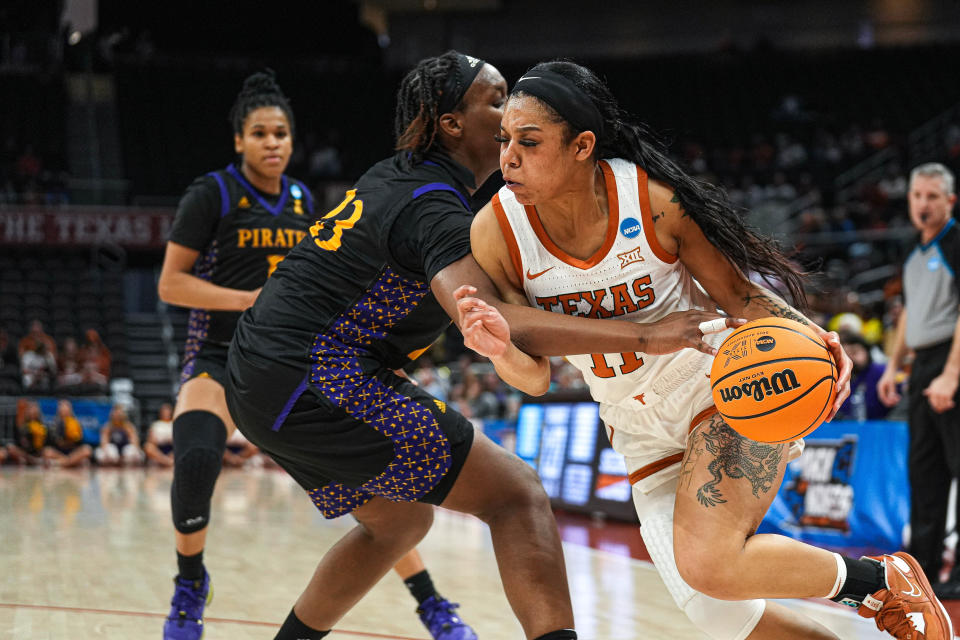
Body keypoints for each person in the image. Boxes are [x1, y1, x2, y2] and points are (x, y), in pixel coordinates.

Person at [224, 51, 729, 640]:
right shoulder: (432, 207)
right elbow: (500, 319)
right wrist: (646, 334)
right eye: (496, 100)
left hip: (261, 378)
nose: (511, 109)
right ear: (451, 124)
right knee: (516, 496)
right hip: (314, 375)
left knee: (398, 526)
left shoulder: (398, 176)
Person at [457, 60, 951, 640]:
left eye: (529, 142)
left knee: (711, 562)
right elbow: (535, 380)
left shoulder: (655, 204)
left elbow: (741, 297)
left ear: (582, 145)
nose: (507, 156)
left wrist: (813, 337)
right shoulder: (496, 231)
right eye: (505, 140)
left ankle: (879, 581)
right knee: (718, 613)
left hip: (721, 388)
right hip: (635, 428)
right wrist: (499, 352)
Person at [156, 69, 478, 640]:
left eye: (281, 133)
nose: (273, 143)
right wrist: (246, 299)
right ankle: (189, 583)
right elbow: (170, 284)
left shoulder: (305, 197)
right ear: (239, 141)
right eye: (259, 134)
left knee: (384, 497)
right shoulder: (213, 195)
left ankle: (431, 602)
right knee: (196, 457)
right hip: (219, 352)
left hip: (298, 360)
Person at [877, 163, 960, 601]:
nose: (923, 204)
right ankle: (923, 570)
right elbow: (909, 312)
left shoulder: (955, 242)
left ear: (950, 201)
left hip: (953, 359)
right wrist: (894, 366)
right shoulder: (911, 249)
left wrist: (951, 373)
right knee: (923, 470)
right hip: (924, 364)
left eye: (933, 197)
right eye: (917, 196)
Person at [835, 331, 889, 421]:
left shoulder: (882, 372)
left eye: (854, 352)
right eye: (844, 355)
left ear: (867, 351)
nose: (849, 358)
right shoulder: (836, 378)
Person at [44, 398, 93, 468]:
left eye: (66, 407)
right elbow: (55, 442)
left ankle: (62, 463)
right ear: (58, 410)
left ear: (71, 409)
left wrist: (74, 438)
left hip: (73, 452)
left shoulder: (76, 423)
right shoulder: (54, 424)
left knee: (87, 450)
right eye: (62, 406)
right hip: (59, 453)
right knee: (47, 451)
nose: (64, 409)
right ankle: (71, 463)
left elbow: (80, 441)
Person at [144, 402, 175, 468]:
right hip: (159, 449)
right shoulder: (156, 424)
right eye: (164, 411)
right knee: (148, 447)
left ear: (171, 412)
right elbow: (151, 440)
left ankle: (165, 462)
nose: (166, 413)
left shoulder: (174, 424)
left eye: (167, 411)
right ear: (160, 413)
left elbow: (179, 440)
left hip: (172, 448)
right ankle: (167, 461)